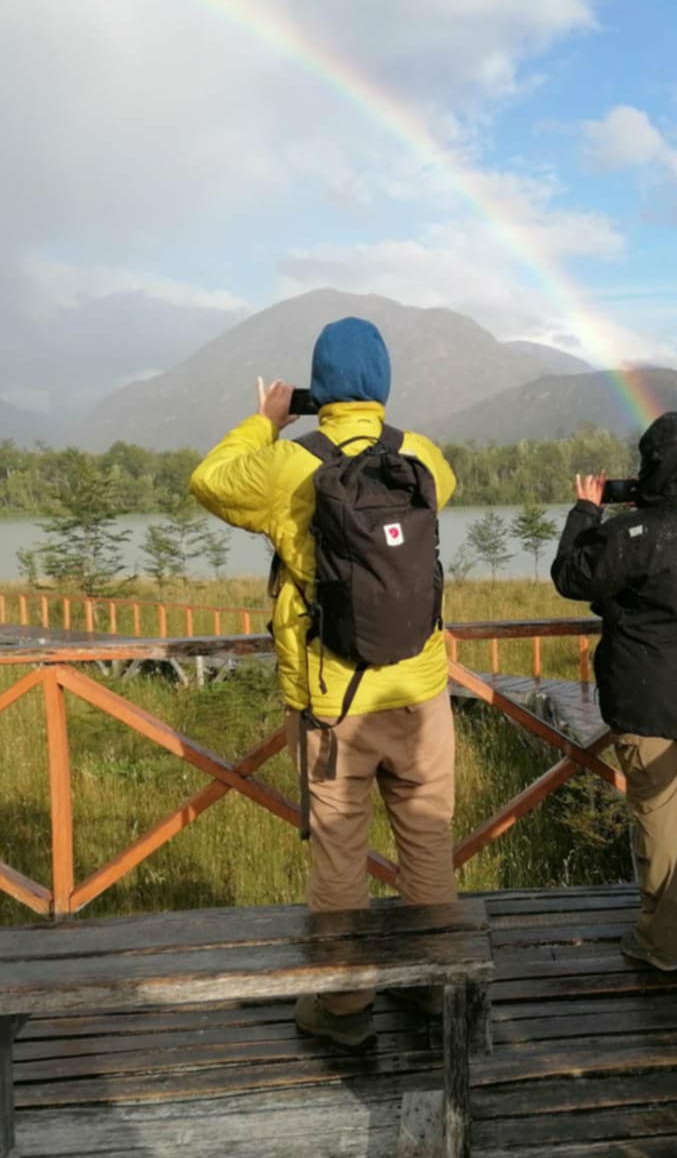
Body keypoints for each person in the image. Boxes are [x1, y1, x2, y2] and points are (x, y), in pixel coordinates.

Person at [188, 316, 458, 1048]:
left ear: (321, 386)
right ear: (383, 383)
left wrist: (265, 422)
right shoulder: (425, 457)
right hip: (423, 691)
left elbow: (207, 480)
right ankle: (435, 992)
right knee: (428, 839)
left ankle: (344, 1010)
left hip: (333, 701)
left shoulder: (291, 467)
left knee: (341, 851)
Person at [551, 411, 677, 972]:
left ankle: (663, 941)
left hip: (646, 699)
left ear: (651, 463)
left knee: (659, 820)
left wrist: (587, 510)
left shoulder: (631, 535)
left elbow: (571, 576)